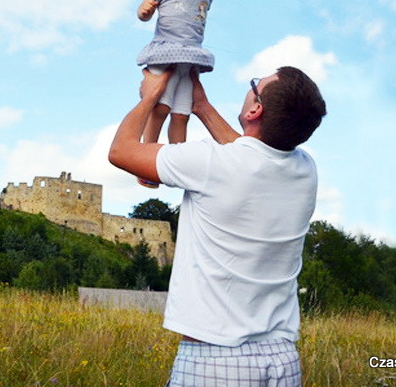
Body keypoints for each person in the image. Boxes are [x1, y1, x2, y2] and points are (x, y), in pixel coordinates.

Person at [108, 66, 326, 387]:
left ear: (255, 109)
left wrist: (151, 95)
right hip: (282, 360)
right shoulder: (305, 169)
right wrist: (202, 107)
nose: (250, 87)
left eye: (256, 85)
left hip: (217, 362)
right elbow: (248, 154)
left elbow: (121, 152)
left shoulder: (211, 163)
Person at [135, 0, 227, 187]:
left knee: (182, 113)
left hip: (190, 57)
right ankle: (147, 156)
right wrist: (146, 10)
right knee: (160, 106)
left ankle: (178, 162)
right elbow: (145, 10)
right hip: (165, 51)